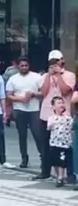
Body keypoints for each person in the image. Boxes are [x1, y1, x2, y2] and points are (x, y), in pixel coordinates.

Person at [35, 50, 75, 182]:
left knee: (65, 146)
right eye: (52, 62)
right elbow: (43, 92)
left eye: (57, 61)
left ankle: (69, 174)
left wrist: (58, 75)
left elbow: (65, 91)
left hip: (63, 116)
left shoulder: (69, 75)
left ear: (62, 61)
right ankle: (45, 171)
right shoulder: (45, 76)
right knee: (45, 145)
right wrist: (49, 75)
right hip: (46, 115)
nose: (55, 64)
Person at [5, 56, 42, 170]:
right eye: (22, 66)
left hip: (34, 110)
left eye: (26, 65)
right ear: (18, 66)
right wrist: (20, 99)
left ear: (29, 66)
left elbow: (43, 92)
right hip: (19, 109)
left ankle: (43, 158)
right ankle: (24, 159)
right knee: (22, 136)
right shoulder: (13, 79)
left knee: (37, 135)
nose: (24, 68)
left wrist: (34, 94)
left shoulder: (37, 77)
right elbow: (9, 95)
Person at [47, 96, 73, 187]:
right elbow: (49, 127)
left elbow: (71, 127)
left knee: (62, 161)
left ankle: (61, 177)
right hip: (54, 143)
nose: (61, 105)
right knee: (55, 161)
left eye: (62, 103)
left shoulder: (68, 118)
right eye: (58, 103)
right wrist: (55, 123)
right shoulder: (52, 118)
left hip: (64, 143)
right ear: (53, 107)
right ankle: (58, 176)